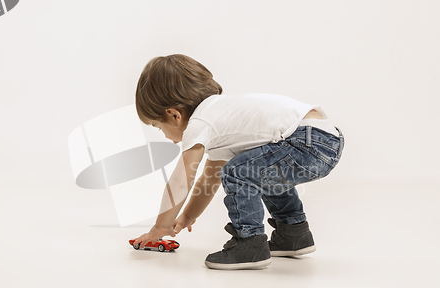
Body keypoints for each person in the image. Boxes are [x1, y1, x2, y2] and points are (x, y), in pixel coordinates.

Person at [133, 54, 344, 270]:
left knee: (240, 172)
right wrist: (187, 216)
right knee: (259, 170)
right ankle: (293, 234)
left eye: (159, 127)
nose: (164, 135)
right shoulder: (221, 120)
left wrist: (160, 227)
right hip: (325, 139)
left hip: (306, 141)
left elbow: (180, 182)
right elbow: (209, 181)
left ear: (174, 115)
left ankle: (249, 243)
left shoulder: (199, 122)